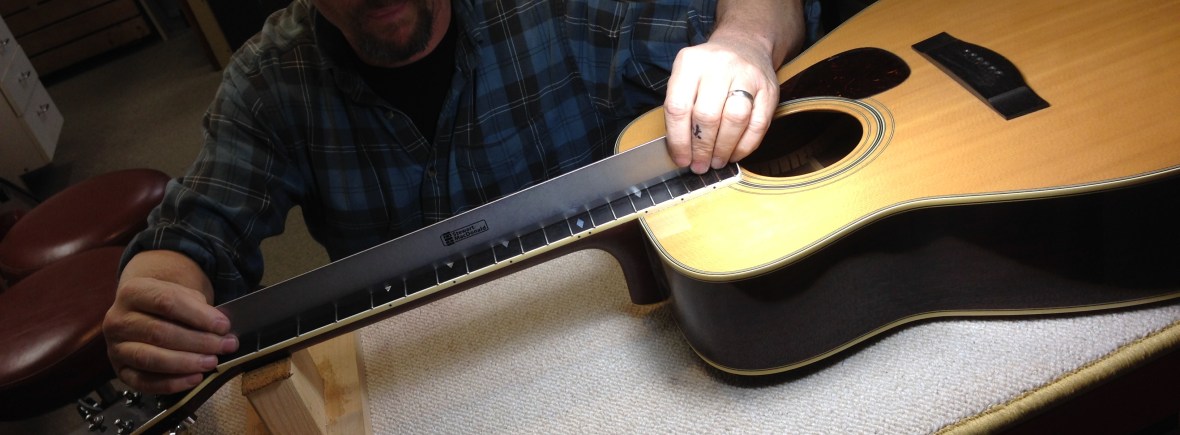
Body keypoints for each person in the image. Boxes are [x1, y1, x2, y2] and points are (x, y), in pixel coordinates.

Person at [104, 0, 805, 394]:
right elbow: (193, 233)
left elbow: (762, 8)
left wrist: (742, 39)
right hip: (431, 378)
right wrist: (154, 294)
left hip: (612, 335)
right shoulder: (268, 83)